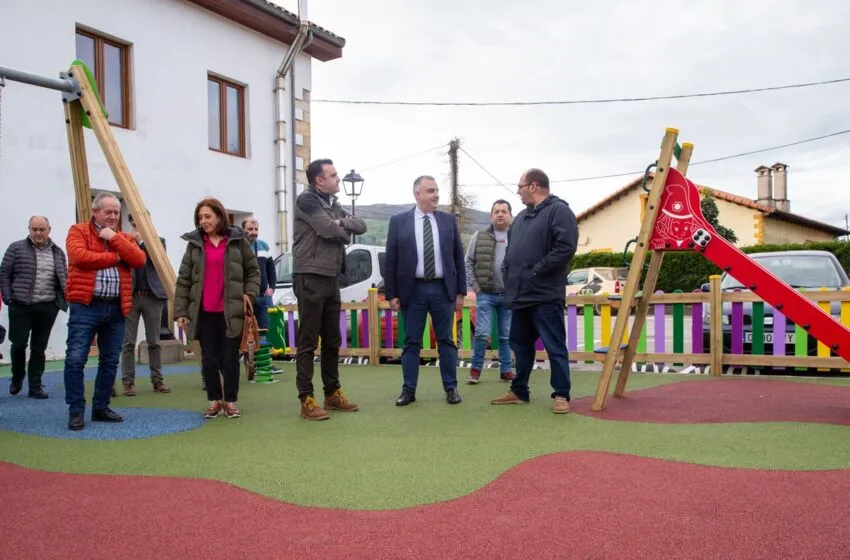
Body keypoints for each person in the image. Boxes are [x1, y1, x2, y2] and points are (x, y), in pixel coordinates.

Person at [491, 168, 578, 414]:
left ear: (533, 186)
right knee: (520, 345)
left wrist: (538, 269)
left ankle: (561, 394)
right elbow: (511, 250)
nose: (517, 191)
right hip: (521, 295)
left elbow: (566, 247)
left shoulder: (559, 211)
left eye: (520, 186)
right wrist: (509, 269)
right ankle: (519, 391)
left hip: (545, 294)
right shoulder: (520, 217)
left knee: (554, 346)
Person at [63, 193, 146, 431]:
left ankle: (101, 407)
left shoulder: (122, 237)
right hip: (86, 306)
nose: (112, 216)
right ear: (95, 212)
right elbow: (79, 257)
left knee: (109, 361)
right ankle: (76, 410)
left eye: (116, 212)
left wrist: (114, 239)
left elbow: (139, 259)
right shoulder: (78, 231)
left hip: (117, 307)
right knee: (76, 358)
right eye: (107, 211)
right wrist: (116, 257)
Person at [292, 158, 367, 421]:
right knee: (308, 340)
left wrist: (339, 225)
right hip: (310, 275)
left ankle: (332, 394)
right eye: (333, 175)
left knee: (332, 339)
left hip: (332, 275)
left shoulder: (332, 204)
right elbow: (325, 228)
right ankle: (306, 399)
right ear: (319, 180)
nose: (338, 179)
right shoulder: (307, 200)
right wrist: (339, 226)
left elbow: (361, 226)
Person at [174, 197, 260, 420]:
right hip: (204, 312)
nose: (203, 221)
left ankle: (230, 401)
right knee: (209, 359)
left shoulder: (237, 241)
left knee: (230, 357)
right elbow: (183, 280)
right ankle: (214, 401)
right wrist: (181, 311)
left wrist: (249, 295)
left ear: (220, 216)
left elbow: (253, 272)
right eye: (200, 217)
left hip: (230, 311)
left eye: (207, 216)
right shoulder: (194, 245)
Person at [385, 175, 467, 407]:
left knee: (446, 341)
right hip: (413, 290)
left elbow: (457, 257)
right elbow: (391, 260)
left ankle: (451, 389)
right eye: (430, 191)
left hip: (443, 290)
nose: (436, 195)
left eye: (437, 190)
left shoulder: (448, 220)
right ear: (417, 194)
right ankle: (408, 391)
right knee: (411, 342)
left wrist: (461, 290)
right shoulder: (398, 221)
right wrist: (392, 294)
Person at [0, 216, 68, 399]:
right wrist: (9, 299)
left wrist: (60, 302)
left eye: (41, 229)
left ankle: (35, 385)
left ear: (49, 230)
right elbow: (4, 274)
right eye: (34, 229)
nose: (38, 233)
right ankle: (17, 377)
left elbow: (64, 278)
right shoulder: (16, 248)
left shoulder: (58, 253)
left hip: (47, 307)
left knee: (39, 348)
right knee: (19, 344)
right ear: (29, 229)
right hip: (20, 306)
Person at [119, 213, 170, 396]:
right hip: (131, 295)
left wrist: (142, 242)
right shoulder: (125, 239)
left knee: (154, 341)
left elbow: (157, 260)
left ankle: (157, 380)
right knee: (128, 342)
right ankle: (128, 382)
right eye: (137, 221)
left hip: (152, 296)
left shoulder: (158, 241)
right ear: (132, 221)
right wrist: (133, 242)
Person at [464, 199, 515, 384]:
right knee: (482, 334)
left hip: (508, 295)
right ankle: (475, 370)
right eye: (496, 211)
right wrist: (476, 288)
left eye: (504, 211)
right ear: (491, 215)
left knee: (505, 336)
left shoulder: (517, 237)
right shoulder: (479, 236)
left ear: (510, 215)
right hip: (485, 293)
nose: (500, 214)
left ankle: (506, 371)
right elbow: (468, 262)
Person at [241, 218, 282, 374]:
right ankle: (250, 364)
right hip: (246, 297)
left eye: (256, 229)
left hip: (264, 297)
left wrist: (272, 287)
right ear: (243, 229)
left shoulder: (264, 246)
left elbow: (271, 269)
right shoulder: (237, 248)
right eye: (250, 229)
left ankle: (264, 365)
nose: (254, 232)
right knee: (247, 331)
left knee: (264, 330)